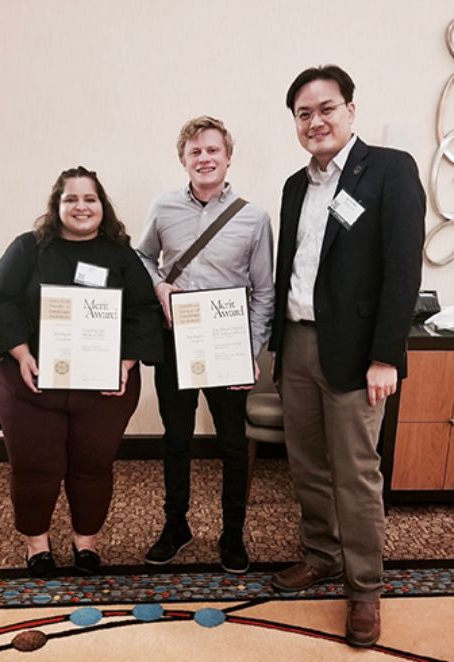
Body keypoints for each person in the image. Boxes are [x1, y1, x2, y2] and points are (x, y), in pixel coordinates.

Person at [269, 66, 425, 646]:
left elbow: (402, 270)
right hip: (299, 342)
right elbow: (292, 270)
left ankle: (364, 588)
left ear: (351, 111)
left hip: (360, 354)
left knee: (357, 473)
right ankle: (321, 554)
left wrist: (387, 355)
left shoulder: (389, 169)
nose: (316, 121)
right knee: (307, 463)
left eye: (326, 108)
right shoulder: (293, 186)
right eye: (304, 114)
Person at [0, 166, 163, 577]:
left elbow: (144, 311)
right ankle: (37, 545)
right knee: (34, 468)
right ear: (57, 205)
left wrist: (126, 363)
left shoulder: (120, 255)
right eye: (71, 198)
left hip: (103, 391)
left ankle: (86, 544)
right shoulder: (28, 249)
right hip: (31, 386)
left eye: (89, 198)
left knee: (93, 466)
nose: (81, 206)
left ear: (102, 206)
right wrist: (22, 355)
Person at [137, 116, 275, 573]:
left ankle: (232, 534)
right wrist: (159, 286)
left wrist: (251, 352)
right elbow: (141, 256)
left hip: (226, 343)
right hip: (175, 339)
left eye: (212, 150)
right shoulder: (163, 206)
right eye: (195, 152)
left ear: (228, 157)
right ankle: (175, 525)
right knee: (176, 438)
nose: (204, 158)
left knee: (233, 443)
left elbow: (264, 291)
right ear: (184, 160)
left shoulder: (254, 218)